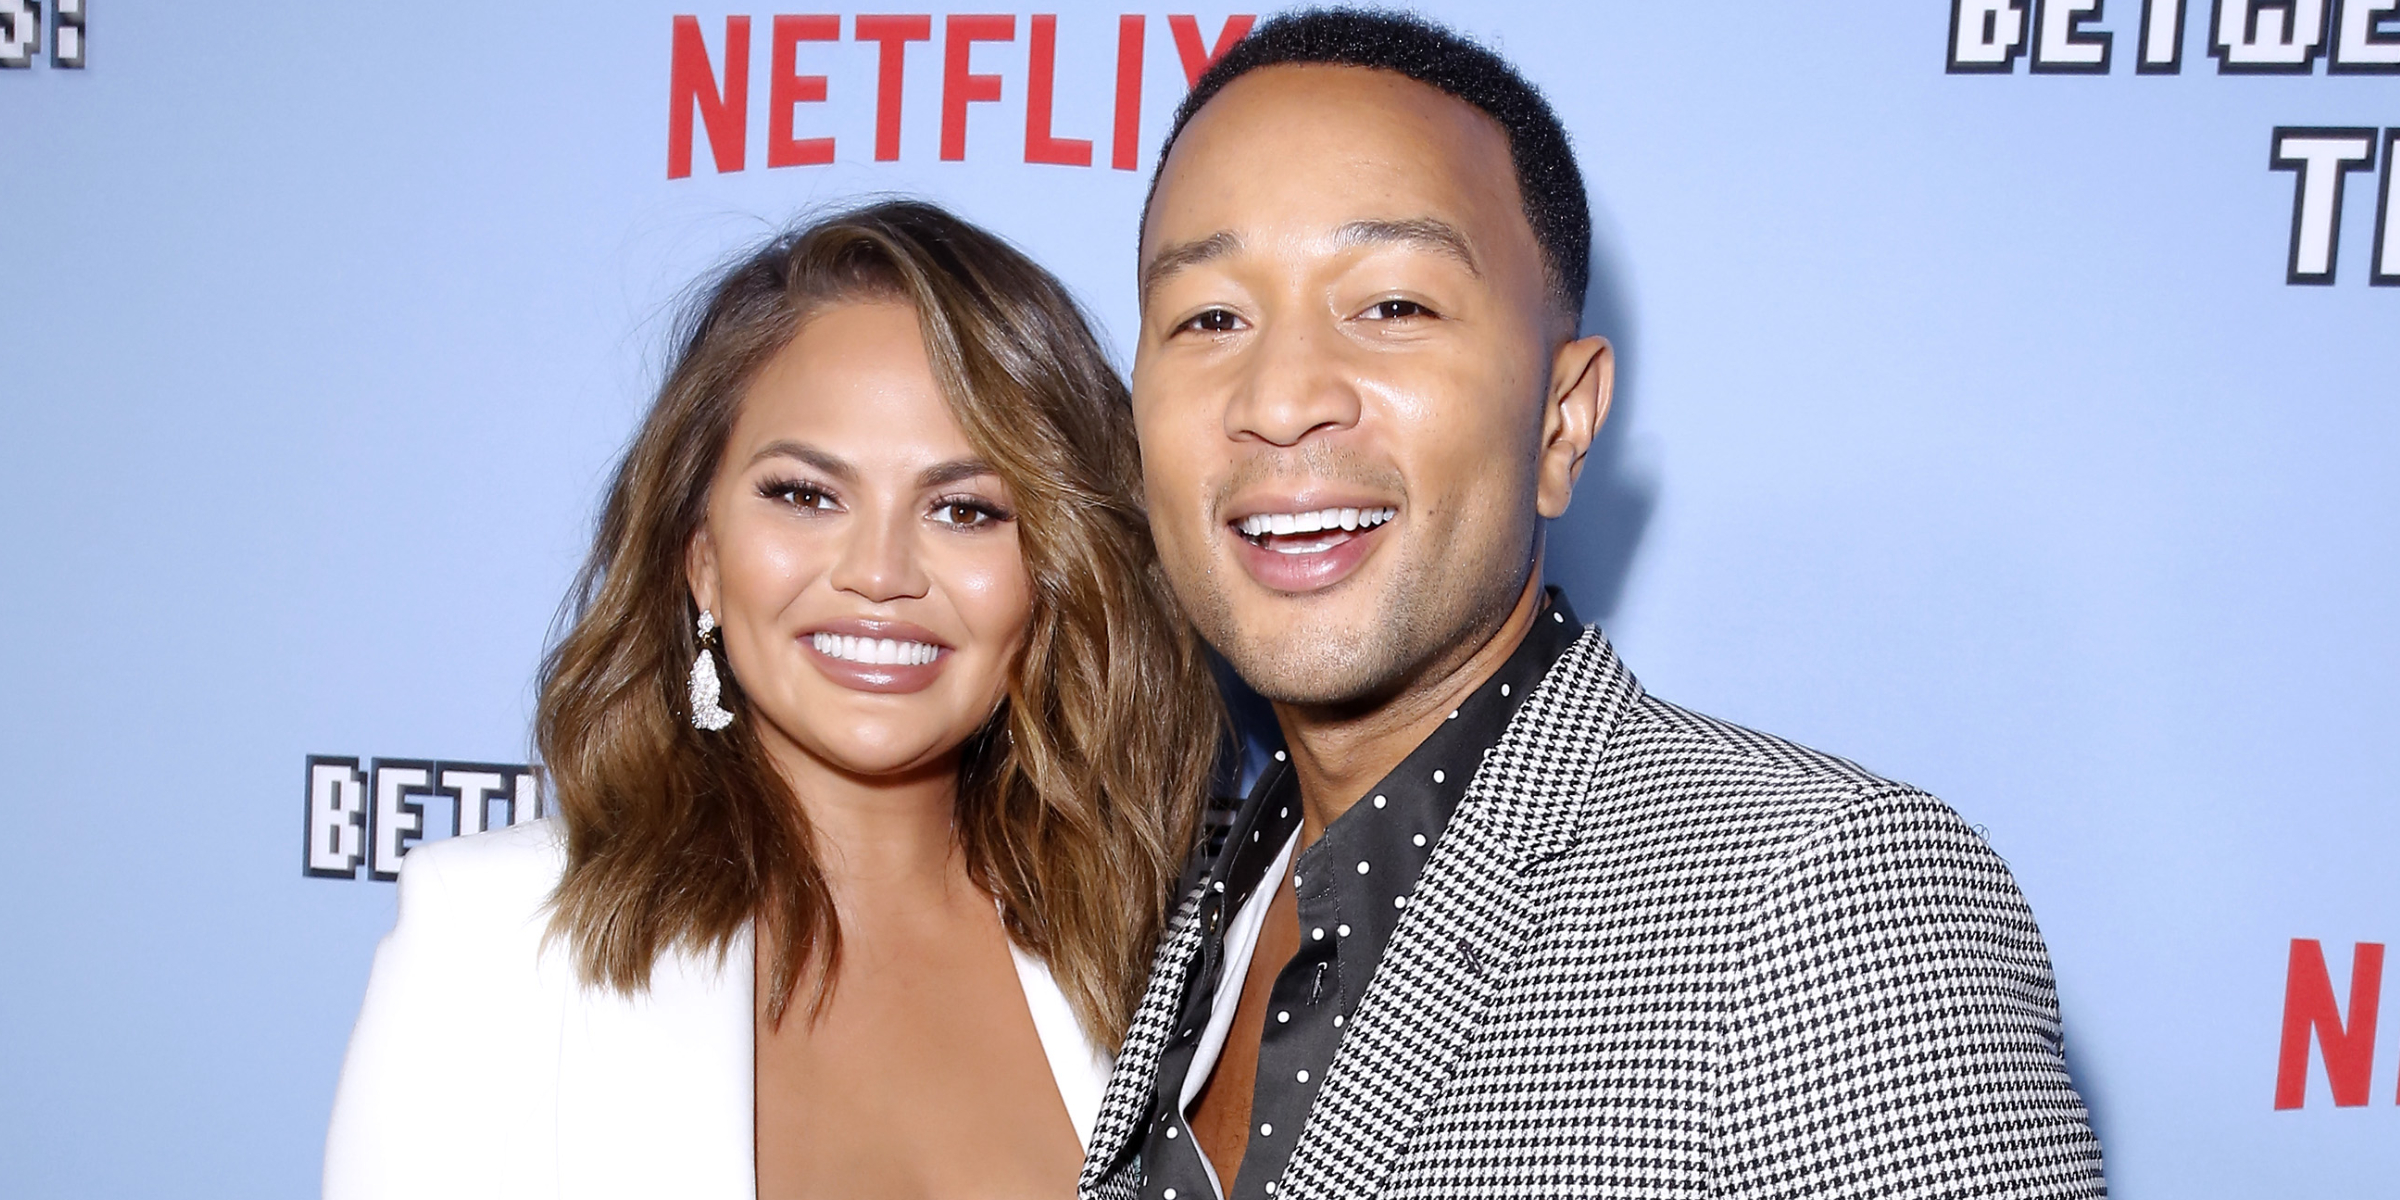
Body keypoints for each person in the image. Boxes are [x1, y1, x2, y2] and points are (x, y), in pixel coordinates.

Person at [1083, 10, 2108, 1200]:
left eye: (1392, 307)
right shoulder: (1170, 903)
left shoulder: (1829, 911)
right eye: (1211, 317)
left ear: (1562, 420)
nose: (1281, 397)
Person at [323, 200, 1224, 1199]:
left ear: (1054, 575)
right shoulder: (494, 940)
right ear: (700, 556)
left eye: (964, 509)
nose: (879, 573)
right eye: (805, 495)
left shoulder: (1152, 963)